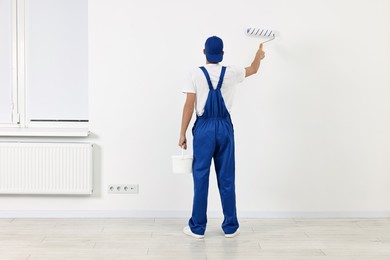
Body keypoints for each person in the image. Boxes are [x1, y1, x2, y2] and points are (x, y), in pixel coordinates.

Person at [179, 36, 265, 239]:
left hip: (204, 129)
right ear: (222, 54)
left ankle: (197, 228)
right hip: (225, 128)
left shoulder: (195, 74)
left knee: (201, 178)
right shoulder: (232, 72)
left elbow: (189, 106)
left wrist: (182, 133)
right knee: (226, 177)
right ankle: (230, 227)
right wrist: (259, 55)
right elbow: (253, 69)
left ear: (204, 53)